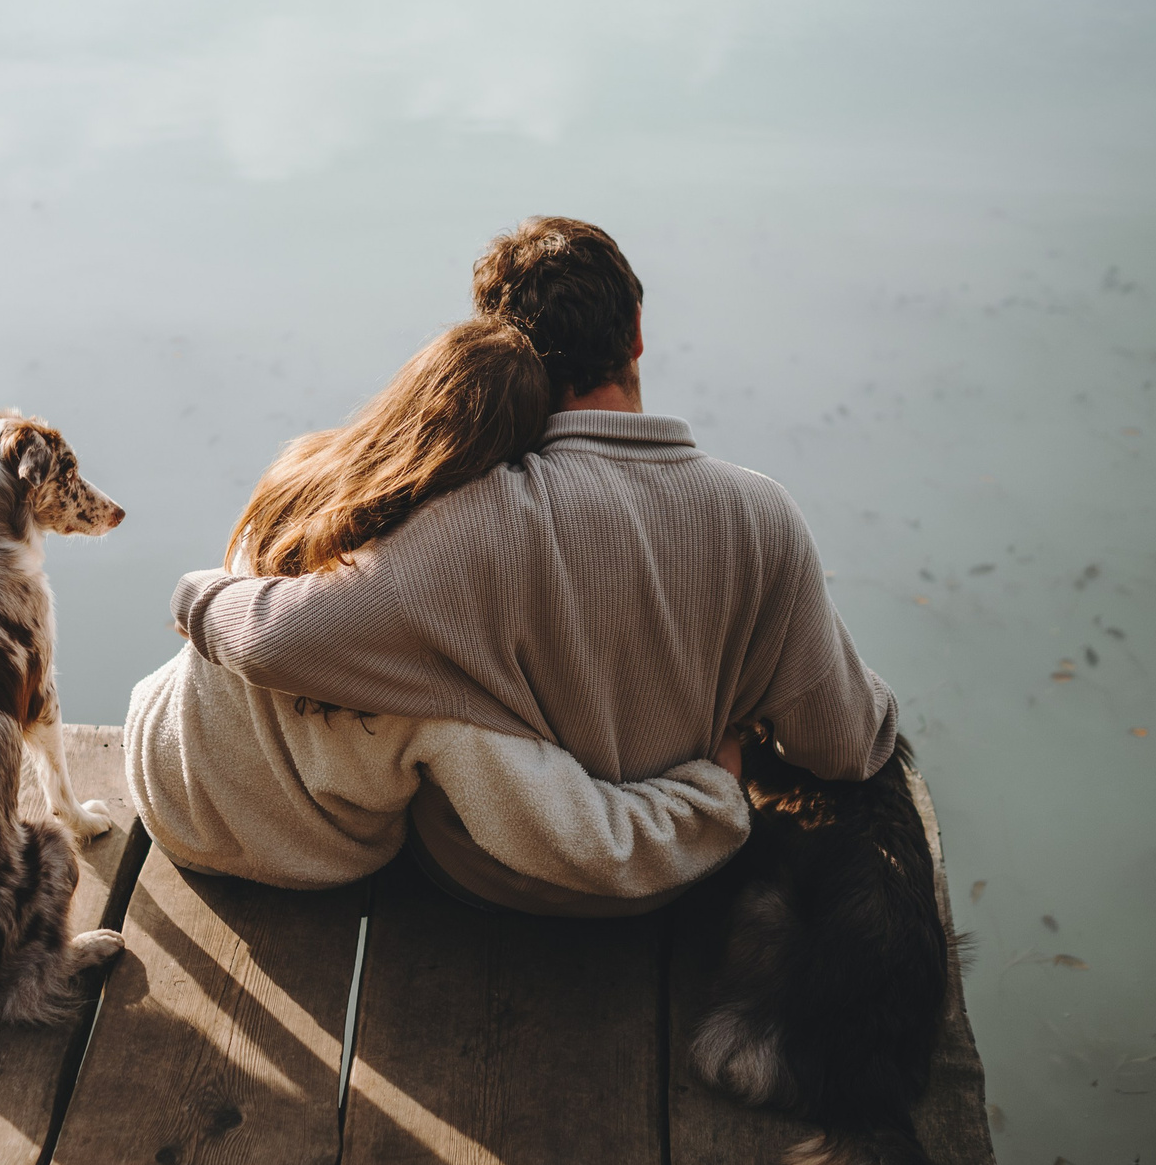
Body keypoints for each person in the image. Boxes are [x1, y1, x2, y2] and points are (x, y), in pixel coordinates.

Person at [152, 217, 896, 915]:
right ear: (637, 332)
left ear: (506, 355)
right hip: (677, 881)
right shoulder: (762, 516)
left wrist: (198, 595)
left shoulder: (470, 523)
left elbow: (276, 641)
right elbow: (846, 745)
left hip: (489, 887)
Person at [126, 317, 750, 910]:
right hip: (290, 854)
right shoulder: (437, 652)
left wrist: (193, 596)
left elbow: (255, 628)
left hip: (156, 765)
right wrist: (714, 795)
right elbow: (585, 843)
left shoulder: (300, 483)